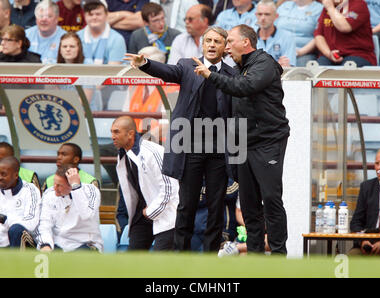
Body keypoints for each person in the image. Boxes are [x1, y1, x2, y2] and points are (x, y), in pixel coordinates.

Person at [125, 26, 236, 252]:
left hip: (218, 150)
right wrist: (146, 64)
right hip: (191, 148)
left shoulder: (232, 75)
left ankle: (210, 256)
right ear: (202, 45)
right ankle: (181, 257)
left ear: (225, 47)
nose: (212, 44)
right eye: (208, 41)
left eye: (217, 41)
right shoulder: (187, 65)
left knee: (216, 207)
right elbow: (167, 71)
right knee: (186, 205)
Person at [193, 24, 290, 255]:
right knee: (249, 205)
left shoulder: (263, 63)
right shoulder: (241, 68)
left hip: (268, 142)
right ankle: (256, 257)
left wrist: (210, 75)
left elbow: (244, 87)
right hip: (245, 146)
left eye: (230, 42)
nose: (226, 48)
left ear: (246, 42)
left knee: (271, 199)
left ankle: (278, 256)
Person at [111, 116, 179, 251]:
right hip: (141, 215)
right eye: (111, 132)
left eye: (116, 132)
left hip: (164, 213)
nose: (112, 136)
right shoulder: (122, 155)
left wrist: (151, 211)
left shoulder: (153, 152)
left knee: (161, 264)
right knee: (132, 260)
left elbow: (169, 188)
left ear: (130, 134)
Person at [36, 165, 103, 252]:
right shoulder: (49, 194)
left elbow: (87, 215)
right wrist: (46, 244)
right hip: (58, 244)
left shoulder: (91, 191)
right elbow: (44, 224)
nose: (55, 188)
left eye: (59, 185)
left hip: (86, 244)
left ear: (71, 185)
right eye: (54, 183)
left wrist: (76, 187)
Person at [0, 156, 42, 248]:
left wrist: (2, 219)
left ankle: (16, 261)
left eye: (3, 174)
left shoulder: (30, 190)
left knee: (16, 229)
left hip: (26, 242)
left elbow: (31, 222)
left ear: (16, 175)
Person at [348, 148, 380, 255]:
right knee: (354, 255)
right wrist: (363, 240)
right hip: (368, 242)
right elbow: (356, 222)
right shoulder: (366, 187)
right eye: (376, 163)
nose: (379, 168)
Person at [314, 0, 377, 67]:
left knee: (345, 72)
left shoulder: (358, 4)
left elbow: (345, 27)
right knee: (317, 71)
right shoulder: (327, 8)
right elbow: (319, 36)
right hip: (331, 55)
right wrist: (328, 54)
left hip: (357, 54)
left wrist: (330, 8)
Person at [275, 0, 323, 66]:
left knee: (300, 72)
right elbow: (273, 28)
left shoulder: (319, 8)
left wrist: (300, 52)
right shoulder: (284, 5)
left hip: (303, 52)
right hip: (279, 50)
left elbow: (319, 36)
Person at [77, 0, 126, 65]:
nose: (94, 17)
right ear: (85, 16)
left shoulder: (117, 39)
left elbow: (114, 70)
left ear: (106, 15)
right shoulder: (77, 37)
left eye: (98, 14)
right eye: (90, 14)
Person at [255, 0, 296, 67]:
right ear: (256, 15)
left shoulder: (287, 37)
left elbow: (287, 66)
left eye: (267, 14)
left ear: (276, 16)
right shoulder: (249, 37)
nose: (263, 18)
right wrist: (276, 64)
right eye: (260, 14)